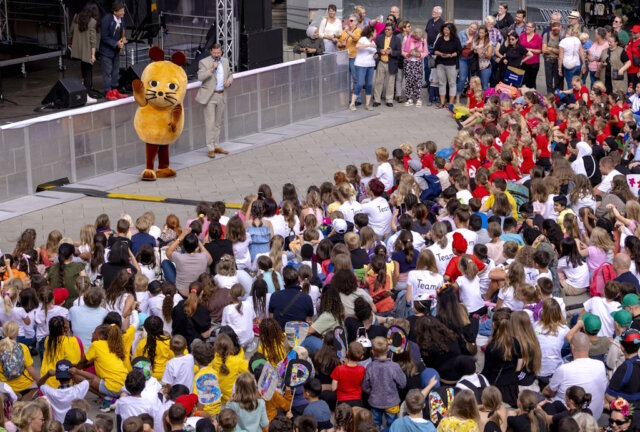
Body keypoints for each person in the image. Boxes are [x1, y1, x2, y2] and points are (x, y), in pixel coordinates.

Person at [542, 332, 607, 420]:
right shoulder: (600, 365)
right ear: (589, 346)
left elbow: (548, 392)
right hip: (595, 415)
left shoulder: (564, 369)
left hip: (570, 418)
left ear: (572, 347)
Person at [195, 43, 233, 159]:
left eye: (218, 52)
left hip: (222, 94)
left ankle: (216, 145)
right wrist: (212, 69)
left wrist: (229, 81)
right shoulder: (204, 62)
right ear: (211, 52)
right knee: (210, 123)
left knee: (218, 123)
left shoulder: (225, 61)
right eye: (214, 52)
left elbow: (231, 74)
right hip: (210, 96)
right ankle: (210, 148)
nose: (217, 54)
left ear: (221, 52)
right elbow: (200, 77)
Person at [68, 1, 99, 103]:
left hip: (78, 51)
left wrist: (70, 43)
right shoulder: (92, 21)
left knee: (84, 71)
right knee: (88, 73)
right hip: (87, 52)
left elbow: (70, 32)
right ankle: (86, 96)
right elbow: (93, 40)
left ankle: (85, 94)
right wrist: (93, 54)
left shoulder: (76, 17)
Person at [99, 0, 127, 101]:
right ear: (115, 12)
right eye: (121, 11)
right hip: (106, 50)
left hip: (116, 50)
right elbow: (104, 37)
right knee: (107, 71)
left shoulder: (121, 20)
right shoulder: (107, 19)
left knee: (116, 70)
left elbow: (122, 31)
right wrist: (115, 43)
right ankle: (108, 91)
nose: (123, 12)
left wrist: (123, 39)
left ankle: (115, 89)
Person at [373, 23, 402, 108]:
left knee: (390, 82)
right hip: (381, 62)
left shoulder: (397, 39)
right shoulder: (379, 38)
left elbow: (399, 52)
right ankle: (377, 100)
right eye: (386, 29)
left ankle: (389, 100)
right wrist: (380, 50)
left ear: (393, 31)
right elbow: (375, 48)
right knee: (378, 82)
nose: (386, 31)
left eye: (389, 29)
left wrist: (392, 52)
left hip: (391, 62)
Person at [433, 23, 461, 108]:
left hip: (452, 64)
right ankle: (442, 103)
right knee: (442, 83)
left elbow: (459, 51)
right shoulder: (440, 39)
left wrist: (451, 55)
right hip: (440, 63)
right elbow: (434, 50)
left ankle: (450, 103)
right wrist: (440, 54)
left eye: (447, 30)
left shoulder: (455, 39)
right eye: (444, 29)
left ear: (451, 31)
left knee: (452, 83)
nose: (445, 31)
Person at [350, 25, 376, 111]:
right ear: (371, 32)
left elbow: (373, 53)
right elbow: (357, 46)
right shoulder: (363, 39)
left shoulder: (374, 43)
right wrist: (368, 45)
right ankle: (352, 103)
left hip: (371, 65)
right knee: (360, 84)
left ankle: (368, 104)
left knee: (369, 84)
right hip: (361, 65)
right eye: (375, 32)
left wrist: (376, 55)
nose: (376, 33)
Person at [401, 28, 428, 107]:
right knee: (409, 80)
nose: (417, 39)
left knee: (418, 81)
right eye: (416, 38)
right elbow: (402, 51)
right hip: (408, 62)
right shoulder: (406, 39)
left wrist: (419, 55)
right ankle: (410, 98)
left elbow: (426, 52)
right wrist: (408, 54)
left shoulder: (423, 40)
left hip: (418, 62)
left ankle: (419, 98)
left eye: (418, 38)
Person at [456, 21, 478, 105]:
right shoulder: (461, 34)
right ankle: (457, 98)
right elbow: (458, 46)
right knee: (462, 78)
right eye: (471, 27)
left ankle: (469, 99)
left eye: (474, 29)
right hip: (463, 58)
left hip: (472, 59)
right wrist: (467, 42)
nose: (472, 30)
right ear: (469, 26)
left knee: (472, 80)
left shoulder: (476, 35)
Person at [424, 6, 444, 90]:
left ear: (439, 14)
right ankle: (427, 82)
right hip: (427, 45)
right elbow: (426, 32)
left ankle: (433, 83)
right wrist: (424, 43)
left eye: (435, 12)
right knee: (426, 65)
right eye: (433, 11)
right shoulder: (430, 21)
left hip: (435, 47)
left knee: (434, 66)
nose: (433, 12)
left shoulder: (442, 23)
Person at [519, 22, 542, 89]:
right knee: (523, 81)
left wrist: (530, 50)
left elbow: (540, 51)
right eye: (527, 26)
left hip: (534, 63)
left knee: (532, 81)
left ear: (533, 28)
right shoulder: (522, 35)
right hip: (523, 61)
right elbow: (519, 47)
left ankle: (533, 96)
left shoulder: (538, 37)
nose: (527, 28)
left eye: (529, 27)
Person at [542, 21, 563, 93]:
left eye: (557, 31)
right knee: (549, 80)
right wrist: (555, 50)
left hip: (557, 60)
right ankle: (549, 95)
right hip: (548, 60)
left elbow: (560, 52)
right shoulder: (546, 35)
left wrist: (550, 48)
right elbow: (544, 50)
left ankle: (556, 95)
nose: (556, 32)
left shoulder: (561, 36)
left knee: (557, 80)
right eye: (554, 30)